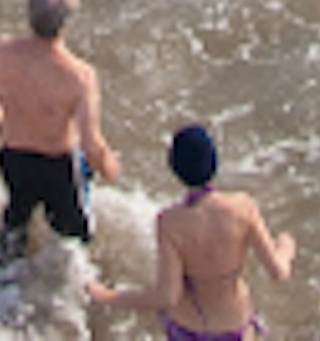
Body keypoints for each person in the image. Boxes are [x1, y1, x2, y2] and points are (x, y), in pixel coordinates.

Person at [86, 125, 293, 341]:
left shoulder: (171, 223)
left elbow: (167, 296)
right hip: (236, 327)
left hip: (188, 330)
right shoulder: (243, 208)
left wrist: (109, 296)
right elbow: (278, 272)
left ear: (176, 168)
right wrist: (285, 247)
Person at [0, 0, 120, 266]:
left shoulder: (2, 53)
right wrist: (109, 167)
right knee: (75, 238)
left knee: (16, 217)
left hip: (14, 156)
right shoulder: (79, 76)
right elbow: (91, 144)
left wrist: (3, 123)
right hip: (58, 166)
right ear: (67, 22)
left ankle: (3, 275)